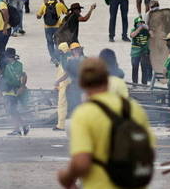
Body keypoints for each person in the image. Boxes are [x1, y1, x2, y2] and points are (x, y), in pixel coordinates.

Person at [57, 57, 154, 189]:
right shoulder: (134, 108)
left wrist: (66, 177)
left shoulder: (84, 114)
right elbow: (148, 151)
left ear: (82, 84)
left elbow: (81, 162)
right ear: (107, 78)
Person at [1, 48, 29, 136]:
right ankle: (23, 126)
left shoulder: (18, 65)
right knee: (11, 110)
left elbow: (21, 76)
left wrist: (21, 87)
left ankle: (17, 129)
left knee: (12, 110)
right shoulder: (6, 65)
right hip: (7, 90)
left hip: (14, 90)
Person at [37, 0, 68, 64]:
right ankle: (57, 57)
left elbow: (38, 16)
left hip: (47, 28)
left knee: (50, 43)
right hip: (57, 27)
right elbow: (67, 13)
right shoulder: (59, 5)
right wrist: (63, 4)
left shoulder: (44, 5)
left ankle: (53, 57)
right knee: (57, 43)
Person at [53, 43, 71, 131]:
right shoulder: (69, 57)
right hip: (66, 84)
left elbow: (66, 73)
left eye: (59, 50)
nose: (58, 51)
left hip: (64, 85)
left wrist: (57, 82)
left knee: (62, 105)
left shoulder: (65, 58)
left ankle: (61, 125)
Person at [129, 16, 152, 85]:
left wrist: (148, 29)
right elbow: (132, 35)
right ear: (135, 24)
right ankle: (135, 83)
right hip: (135, 52)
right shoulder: (133, 30)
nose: (140, 25)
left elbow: (153, 35)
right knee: (135, 67)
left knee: (144, 68)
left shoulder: (146, 31)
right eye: (138, 23)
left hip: (144, 52)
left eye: (141, 23)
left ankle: (144, 84)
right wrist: (139, 29)